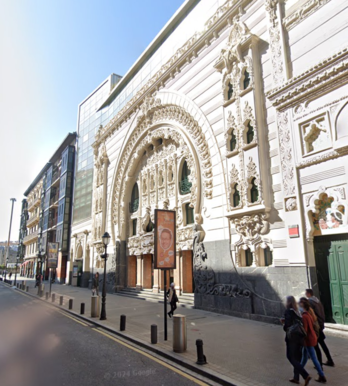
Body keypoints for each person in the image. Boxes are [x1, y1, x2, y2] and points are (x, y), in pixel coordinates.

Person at [281, 296, 311, 385]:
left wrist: (283, 323)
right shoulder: (298, 312)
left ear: (288, 302)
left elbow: (287, 326)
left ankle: (305, 375)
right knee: (297, 358)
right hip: (300, 338)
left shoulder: (288, 311)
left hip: (292, 338)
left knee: (290, 357)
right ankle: (296, 378)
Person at [299, 298, 327, 383]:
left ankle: (321, 375)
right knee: (304, 357)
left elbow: (305, 330)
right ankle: (297, 372)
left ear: (302, 305)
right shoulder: (309, 313)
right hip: (312, 338)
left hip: (308, 340)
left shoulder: (304, 316)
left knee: (314, 358)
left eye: (299, 303)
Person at [305, 289, 334, 367]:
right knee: (322, 344)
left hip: (315, 326)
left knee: (316, 346)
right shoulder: (317, 301)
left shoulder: (310, 302)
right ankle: (330, 360)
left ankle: (319, 365)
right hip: (320, 324)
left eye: (306, 293)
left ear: (308, 293)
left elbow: (311, 315)